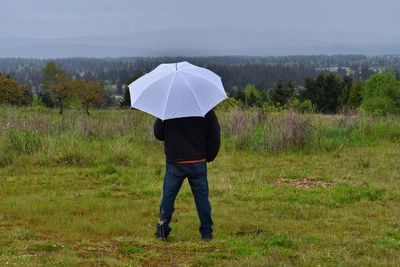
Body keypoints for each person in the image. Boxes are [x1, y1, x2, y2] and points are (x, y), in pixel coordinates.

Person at [153, 109, 221, 241]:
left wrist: (172, 133)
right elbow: (214, 133)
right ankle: (207, 233)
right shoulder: (204, 108)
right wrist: (210, 156)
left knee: (168, 197)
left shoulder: (168, 108)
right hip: (198, 161)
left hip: (175, 161)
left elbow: (158, 133)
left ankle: (162, 231)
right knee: (202, 199)